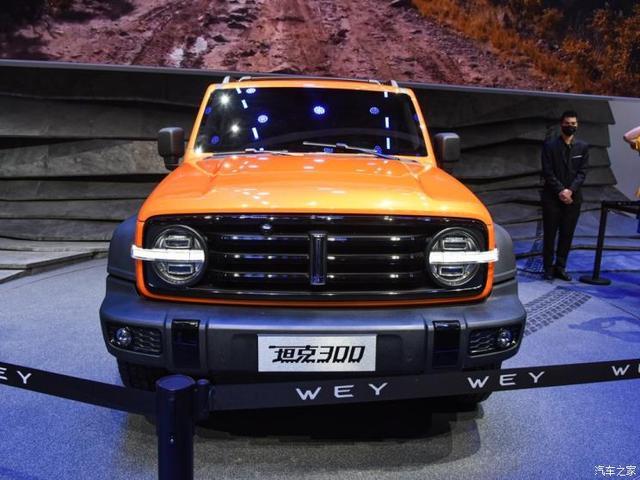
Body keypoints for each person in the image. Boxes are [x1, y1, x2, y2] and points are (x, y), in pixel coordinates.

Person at [540, 110, 589, 281]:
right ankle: (547, 268)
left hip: (573, 199)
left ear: (577, 125)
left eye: (573, 123)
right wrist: (561, 190)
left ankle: (560, 267)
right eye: (567, 123)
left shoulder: (582, 147)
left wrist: (570, 191)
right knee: (550, 234)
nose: (570, 126)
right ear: (561, 124)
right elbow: (547, 171)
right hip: (552, 197)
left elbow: (582, 173)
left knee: (567, 234)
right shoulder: (550, 146)